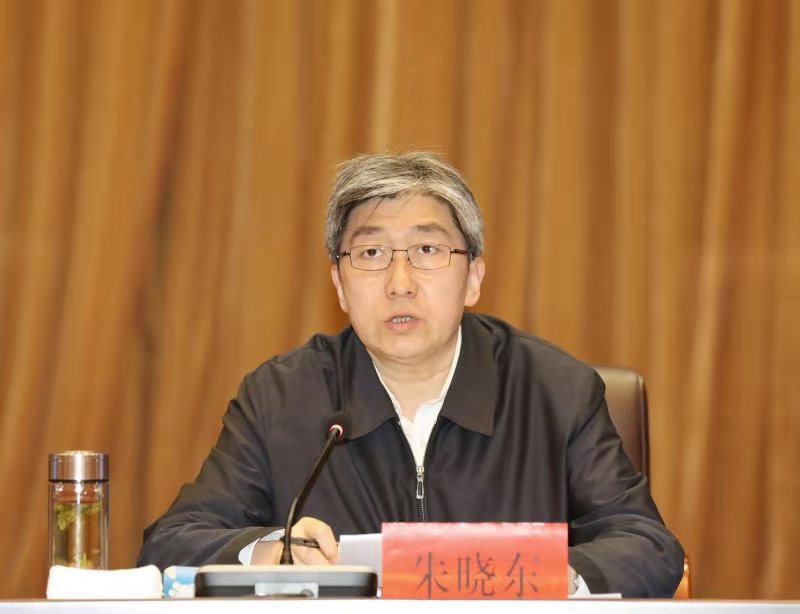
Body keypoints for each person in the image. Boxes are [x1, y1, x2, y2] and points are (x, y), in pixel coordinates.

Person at [138, 152, 684, 597]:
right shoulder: (280, 398)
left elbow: (648, 545)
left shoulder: (555, 393)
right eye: (372, 252)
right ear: (339, 284)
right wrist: (269, 550)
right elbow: (170, 543)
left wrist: (555, 578)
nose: (399, 282)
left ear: (473, 277)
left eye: (427, 249)